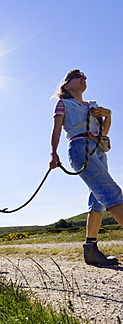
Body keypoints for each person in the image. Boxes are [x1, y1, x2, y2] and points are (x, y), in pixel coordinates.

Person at [49, 69, 123, 265]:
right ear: (67, 85)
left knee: (98, 198)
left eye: (85, 76)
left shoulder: (94, 105)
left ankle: (90, 250)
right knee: (111, 192)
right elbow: (56, 129)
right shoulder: (63, 103)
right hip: (79, 147)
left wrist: (109, 116)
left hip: (98, 149)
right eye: (78, 76)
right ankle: (90, 249)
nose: (84, 78)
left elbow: (103, 133)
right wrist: (53, 153)